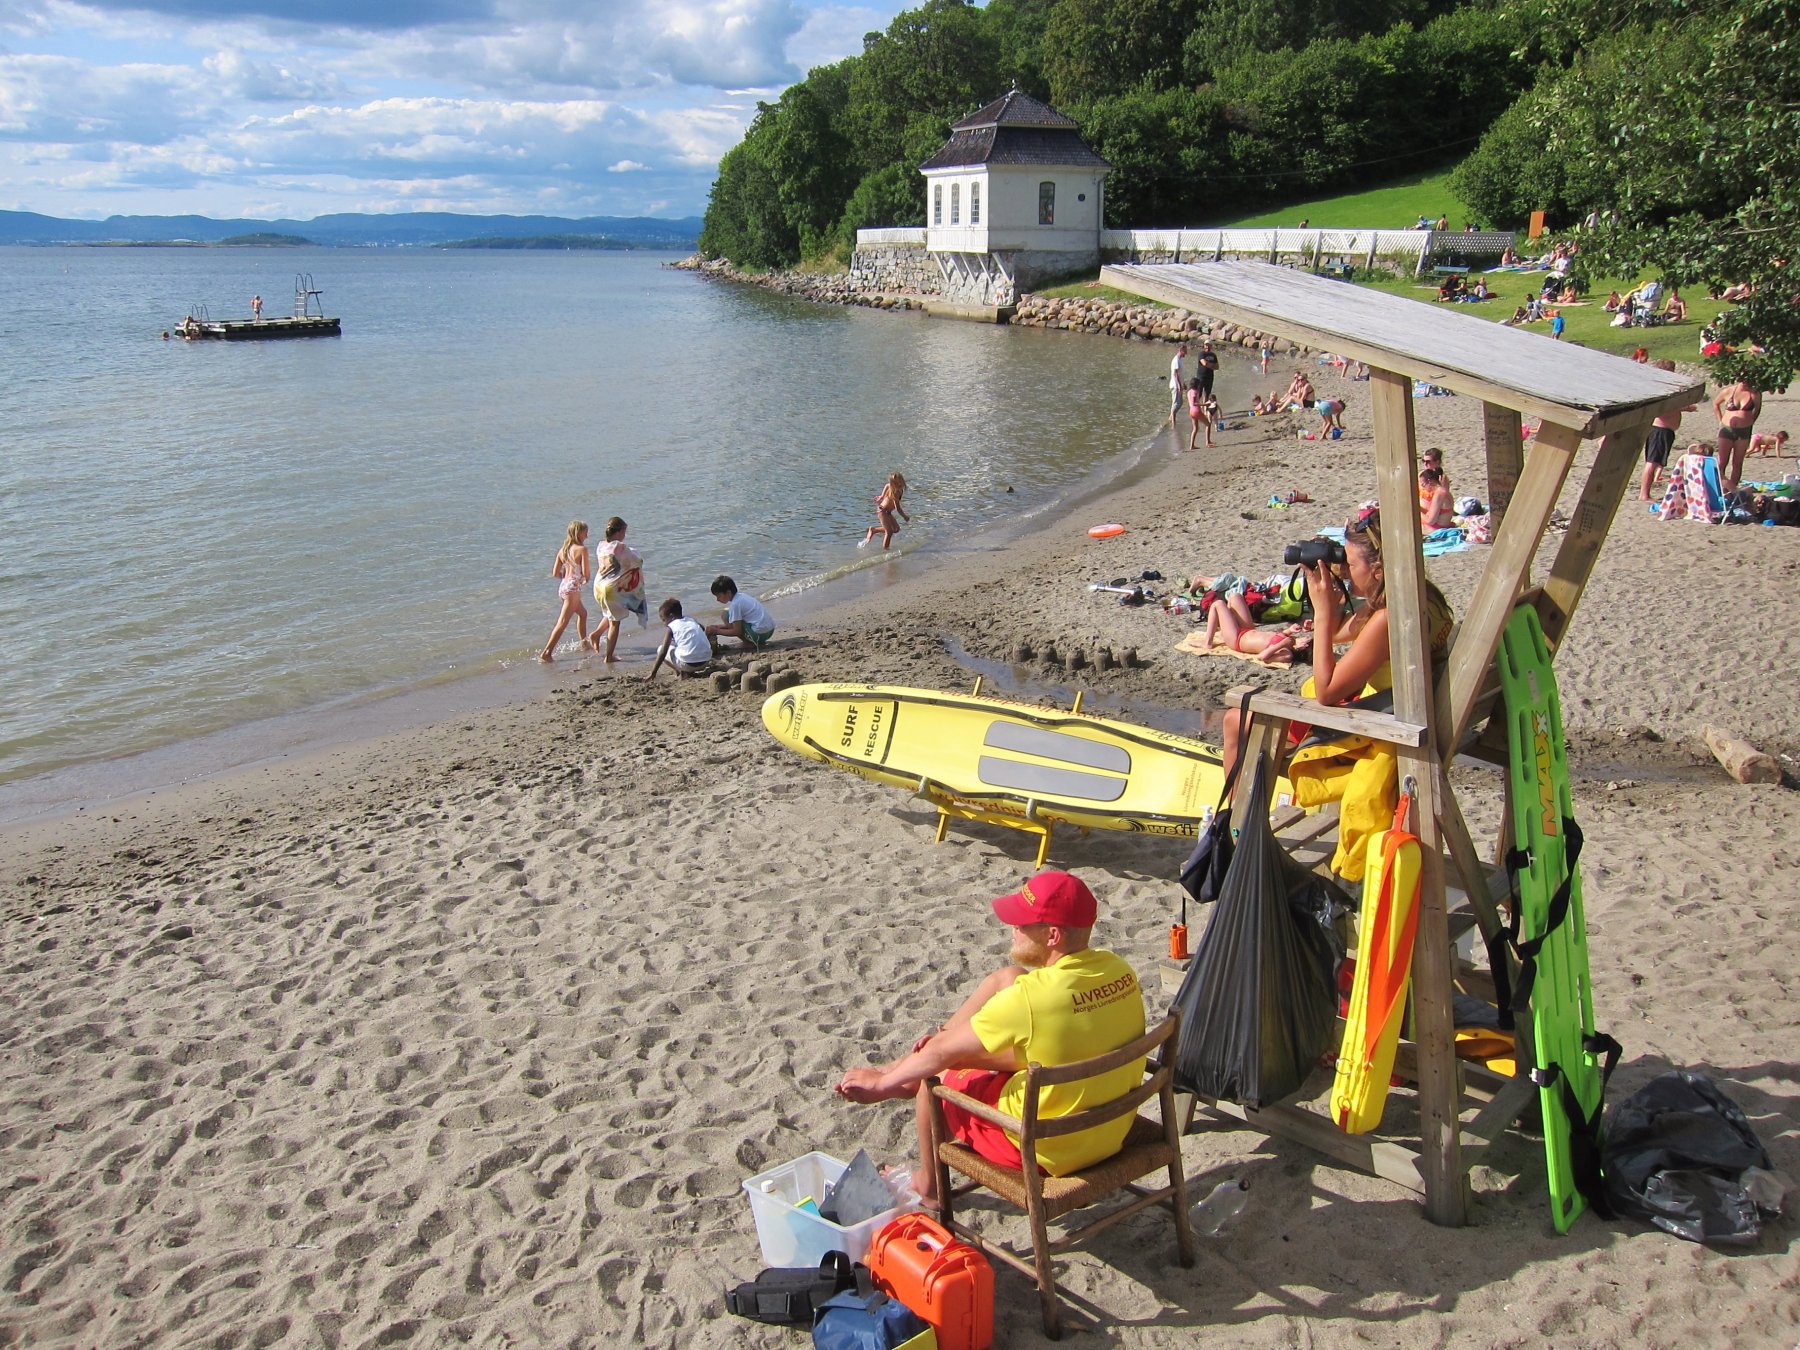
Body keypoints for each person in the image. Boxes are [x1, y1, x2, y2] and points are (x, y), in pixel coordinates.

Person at [833, 870, 1145, 1208]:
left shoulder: (1031, 1000)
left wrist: (881, 1085)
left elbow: (939, 1055)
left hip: (1045, 1150)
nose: (1013, 928)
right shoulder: (1118, 970)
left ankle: (929, 1186)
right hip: (1111, 1129)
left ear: (1052, 935)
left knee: (931, 1079)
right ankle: (906, 1069)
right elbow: (1056, 1037)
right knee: (1007, 977)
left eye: (1023, 923)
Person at [1218, 508, 1454, 788]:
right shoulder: (1421, 594)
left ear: (1377, 571)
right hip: (1404, 713)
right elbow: (1339, 632)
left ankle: (1231, 822)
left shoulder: (1387, 618)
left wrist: (1320, 611)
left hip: (1383, 732)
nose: (1345, 569)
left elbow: (1326, 692)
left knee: (1235, 719)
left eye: (1350, 563)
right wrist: (1331, 599)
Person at [588, 516, 645, 662]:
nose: (625, 535)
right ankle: (609, 657)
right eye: (624, 532)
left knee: (611, 613)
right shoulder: (621, 547)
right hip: (611, 590)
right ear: (619, 532)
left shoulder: (601, 546)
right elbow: (637, 560)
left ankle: (596, 634)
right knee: (615, 622)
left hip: (598, 587)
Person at [1640, 359, 1697, 500]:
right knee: (1652, 462)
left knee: (1656, 461)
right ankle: (1644, 494)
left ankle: (1646, 492)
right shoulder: (1658, 389)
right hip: (1660, 429)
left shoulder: (1664, 388)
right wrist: (1683, 407)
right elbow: (1661, 411)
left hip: (1665, 430)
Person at [537, 519, 591, 662]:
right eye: (586, 532)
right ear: (579, 533)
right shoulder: (582, 550)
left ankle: (584, 643)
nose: (587, 535)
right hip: (572, 589)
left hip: (563, 587)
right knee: (562, 622)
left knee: (583, 614)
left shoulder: (563, 550)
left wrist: (567, 579)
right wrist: (579, 580)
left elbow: (555, 573)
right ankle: (546, 653)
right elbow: (587, 575)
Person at [642, 598, 712, 680]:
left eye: (664, 620)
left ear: (671, 616)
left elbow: (663, 652)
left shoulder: (672, 627)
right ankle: (687, 669)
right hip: (705, 661)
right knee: (680, 648)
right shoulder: (691, 620)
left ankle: (680, 671)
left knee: (660, 648)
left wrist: (653, 673)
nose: (664, 624)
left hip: (688, 664)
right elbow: (703, 629)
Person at [1713, 378, 1761, 493]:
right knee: (1722, 461)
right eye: (1743, 380)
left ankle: (1731, 490)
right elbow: (1716, 404)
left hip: (1744, 431)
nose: (1746, 383)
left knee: (1737, 462)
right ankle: (1719, 487)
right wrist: (1720, 420)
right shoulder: (1728, 391)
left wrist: (1750, 421)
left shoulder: (1755, 394)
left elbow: (1757, 410)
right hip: (1726, 429)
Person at [706, 575, 774, 652]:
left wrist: (716, 631)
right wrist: (718, 627)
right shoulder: (742, 596)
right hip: (769, 630)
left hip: (759, 634)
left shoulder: (735, 604)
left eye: (719, 596)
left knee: (725, 615)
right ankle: (752, 641)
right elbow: (737, 623)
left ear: (728, 593)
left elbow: (736, 631)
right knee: (727, 614)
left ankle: (748, 643)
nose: (717, 599)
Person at [860, 472, 910, 550]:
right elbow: (898, 508)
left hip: (888, 512)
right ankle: (885, 551)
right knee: (889, 532)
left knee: (896, 529)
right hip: (882, 511)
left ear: (902, 480)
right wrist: (904, 516)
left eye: (899, 482)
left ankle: (874, 530)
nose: (898, 484)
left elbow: (886, 487)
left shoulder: (897, 489)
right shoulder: (895, 492)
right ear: (892, 484)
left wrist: (881, 496)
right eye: (895, 483)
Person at [1167, 344, 1188, 427]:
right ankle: (1173, 422)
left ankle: (1170, 418)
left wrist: (1183, 384)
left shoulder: (1179, 360)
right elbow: (1176, 374)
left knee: (1179, 403)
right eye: (1185, 351)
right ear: (1181, 350)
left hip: (1178, 385)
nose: (1186, 353)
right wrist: (1179, 385)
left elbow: (1180, 374)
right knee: (1176, 403)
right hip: (1175, 385)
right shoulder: (1176, 360)